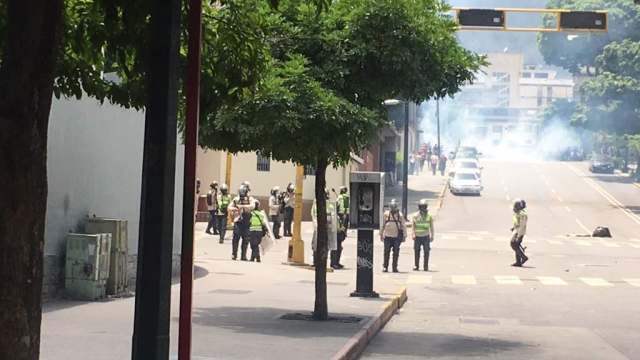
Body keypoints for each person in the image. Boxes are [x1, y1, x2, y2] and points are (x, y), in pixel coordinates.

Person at [229, 184, 256, 260]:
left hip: (247, 221)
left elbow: (252, 206)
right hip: (238, 221)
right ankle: (234, 254)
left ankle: (243, 255)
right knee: (235, 239)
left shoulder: (250, 198)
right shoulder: (236, 199)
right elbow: (229, 207)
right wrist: (236, 208)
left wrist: (243, 206)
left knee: (246, 239)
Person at [311, 189, 338, 264]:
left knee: (326, 245)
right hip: (319, 227)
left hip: (327, 227)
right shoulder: (316, 202)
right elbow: (313, 214)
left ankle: (321, 261)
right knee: (316, 245)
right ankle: (316, 261)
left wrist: (333, 226)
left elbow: (333, 216)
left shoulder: (330, 203)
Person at [380, 199, 406, 273]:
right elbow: (382, 225)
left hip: (396, 237)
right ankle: (385, 267)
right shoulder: (386, 214)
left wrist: (404, 236)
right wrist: (381, 234)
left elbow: (403, 225)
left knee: (396, 253)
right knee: (386, 252)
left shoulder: (399, 215)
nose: (393, 209)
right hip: (387, 236)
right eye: (392, 207)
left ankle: (394, 267)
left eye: (394, 207)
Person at [412, 199, 434, 271]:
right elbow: (413, 226)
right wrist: (413, 234)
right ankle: (416, 265)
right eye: (422, 207)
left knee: (426, 251)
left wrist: (432, 236)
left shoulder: (429, 216)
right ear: (419, 207)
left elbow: (432, 227)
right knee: (416, 251)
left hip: (426, 236)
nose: (423, 208)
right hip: (417, 236)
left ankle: (425, 266)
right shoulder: (415, 215)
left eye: (424, 207)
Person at [332, 186, 350, 269]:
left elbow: (336, 208)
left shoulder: (339, 198)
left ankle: (335, 262)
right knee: (338, 243)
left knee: (337, 244)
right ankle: (335, 262)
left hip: (340, 219)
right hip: (344, 220)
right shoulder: (347, 198)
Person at [510, 199, 529, 267]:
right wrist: (513, 227)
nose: (514, 208)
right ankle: (518, 262)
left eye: (515, 206)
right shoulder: (519, 213)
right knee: (516, 246)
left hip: (519, 233)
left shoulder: (522, 214)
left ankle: (524, 257)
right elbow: (517, 223)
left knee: (513, 244)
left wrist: (518, 236)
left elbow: (522, 225)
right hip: (517, 231)